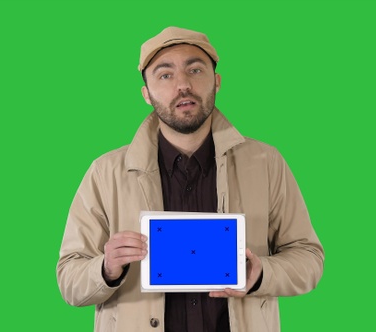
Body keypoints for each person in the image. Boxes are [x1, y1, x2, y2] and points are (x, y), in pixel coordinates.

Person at [56, 26, 324, 332]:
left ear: (217, 81)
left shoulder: (266, 163)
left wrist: (263, 273)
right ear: (146, 93)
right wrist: (105, 268)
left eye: (195, 69)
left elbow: (309, 258)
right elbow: (68, 279)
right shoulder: (105, 173)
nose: (183, 84)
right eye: (165, 75)